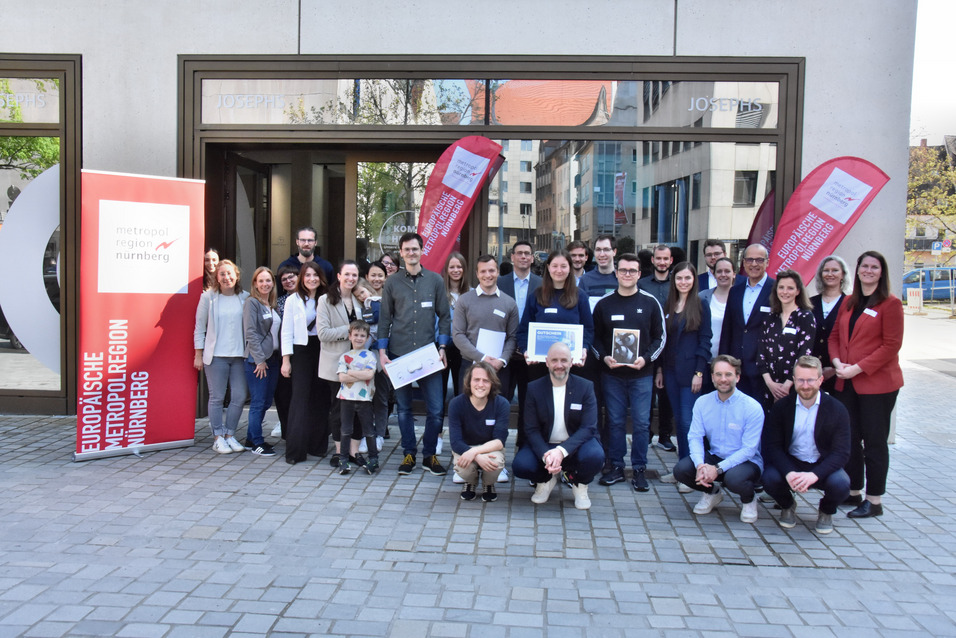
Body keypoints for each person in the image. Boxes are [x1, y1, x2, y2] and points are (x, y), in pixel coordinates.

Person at [828, 250, 904, 519]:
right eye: (864, 266)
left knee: (874, 442)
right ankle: (853, 492)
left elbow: (891, 346)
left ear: (882, 273)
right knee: (850, 439)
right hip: (846, 382)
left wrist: (857, 368)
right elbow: (835, 336)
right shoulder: (849, 302)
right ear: (858, 270)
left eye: (874, 267)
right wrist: (837, 363)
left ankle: (874, 500)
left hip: (876, 386)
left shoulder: (890, 304)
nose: (868, 271)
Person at [378, 232, 452, 476]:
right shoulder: (392, 283)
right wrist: (382, 352)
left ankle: (429, 456)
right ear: (401, 253)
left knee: (436, 410)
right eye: (407, 249)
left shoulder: (435, 281)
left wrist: (443, 347)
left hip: (428, 355)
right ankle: (408, 454)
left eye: (415, 249)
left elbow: (445, 316)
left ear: (422, 251)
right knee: (404, 409)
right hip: (399, 354)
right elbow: (385, 319)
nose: (411, 253)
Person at [592, 253, 665, 491]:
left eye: (632, 271)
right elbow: (594, 338)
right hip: (612, 375)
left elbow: (660, 338)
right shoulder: (604, 304)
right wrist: (604, 357)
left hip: (641, 375)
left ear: (639, 274)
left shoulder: (650, 302)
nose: (627, 274)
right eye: (623, 270)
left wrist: (646, 359)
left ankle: (639, 469)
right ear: (616, 273)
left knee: (642, 424)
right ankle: (615, 466)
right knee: (614, 422)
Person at [763, 356, 851, 534]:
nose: (805, 385)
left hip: (822, 463)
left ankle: (826, 510)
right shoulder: (782, 407)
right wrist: (789, 472)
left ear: (820, 380)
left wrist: (814, 475)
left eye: (810, 380)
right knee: (769, 478)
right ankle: (787, 505)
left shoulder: (837, 409)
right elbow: (773, 446)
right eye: (800, 380)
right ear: (794, 380)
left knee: (841, 484)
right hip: (792, 462)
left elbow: (841, 452)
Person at [512, 342, 605, 510]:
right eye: (554, 360)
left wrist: (561, 451)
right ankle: (546, 479)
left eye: (564, 360)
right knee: (521, 465)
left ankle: (579, 483)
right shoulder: (534, 388)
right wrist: (546, 456)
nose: (559, 365)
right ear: (547, 362)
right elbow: (531, 429)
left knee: (595, 457)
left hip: (576, 446)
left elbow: (588, 427)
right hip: (546, 445)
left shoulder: (585, 387)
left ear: (571, 362)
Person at [674, 355, 764, 523]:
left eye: (728, 374)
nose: (723, 379)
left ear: (737, 377)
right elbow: (695, 436)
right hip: (715, 456)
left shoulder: (752, 407)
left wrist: (717, 469)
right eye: (719, 374)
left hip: (745, 461)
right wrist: (700, 465)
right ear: (712, 377)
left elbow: (749, 449)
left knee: (734, 479)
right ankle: (712, 493)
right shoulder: (702, 402)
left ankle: (749, 499)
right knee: (682, 470)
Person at [655, 262, 712, 484]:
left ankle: (691, 471)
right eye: (679, 278)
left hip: (691, 374)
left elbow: (705, 340)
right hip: (670, 371)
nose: (683, 282)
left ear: (694, 280)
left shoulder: (701, 304)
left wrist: (699, 372)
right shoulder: (668, 304)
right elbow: (663, 341)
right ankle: (681, 469)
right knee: (678, 420)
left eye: (687, 278)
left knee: (689, 422)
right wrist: (660, 370)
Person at [194, 259, 249, 454]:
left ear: (237, 276)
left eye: (230, 273)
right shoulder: (208, 298)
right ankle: (217, 437)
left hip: (239, 356)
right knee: (217, 397)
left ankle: (230, 435)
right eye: (222, 274)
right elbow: (199, 327)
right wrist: (198, 354)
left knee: (239, 396)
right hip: (216, 356)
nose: (227, 277)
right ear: (217, 278)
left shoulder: (245, 297)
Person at [318, 260, 368, 468]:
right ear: (338, 276)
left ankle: (354, 452)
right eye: (346, 274)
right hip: (336, 365)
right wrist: (349, 329)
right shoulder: (325, 300)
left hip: (359, 364)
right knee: (339, 409)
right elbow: (323, 333)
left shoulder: (360, 299)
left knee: (359, 408)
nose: (350, 278)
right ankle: (340, 452)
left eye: (354, 275)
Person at [517, 249, 594, 382]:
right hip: (540, 366)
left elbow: (588, 329)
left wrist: (584, 348)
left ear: (569, 268)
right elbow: (524, 330)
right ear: (548, 267)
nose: (559, 270)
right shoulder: (536, 295)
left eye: (563, 266)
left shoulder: (580, 296)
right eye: (555, 266)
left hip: (571, 366)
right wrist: (526, 350)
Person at [280, 261, 330, 465]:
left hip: (323, 349)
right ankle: (296, 451)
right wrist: (286, 360)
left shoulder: (328, 298)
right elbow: (286, 331)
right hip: (301, 350)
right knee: (299, 399)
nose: (312, 279)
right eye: (307, 275)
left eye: (315, 275)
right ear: (301, 278)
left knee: (321, 397)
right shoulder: (293, 300)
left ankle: (317, 446)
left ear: (321, 277)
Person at [498, 240, 542, 447]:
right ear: (512, 257)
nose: (523, 256)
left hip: (531, 352)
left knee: (529, 400)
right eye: (519, 253)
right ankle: (498, 443)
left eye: (527, 253)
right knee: (501, 399)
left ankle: (525, 445)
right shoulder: (500, 283)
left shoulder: (542, 284)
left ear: (532, 258)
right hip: (503, 350)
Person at [719, 243, 776, 402]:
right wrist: (723, 362)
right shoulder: (735, 291)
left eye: (759, 260)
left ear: (767, 262)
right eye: (750, 260)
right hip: (736, 366)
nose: (754, 264)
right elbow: (727, 329)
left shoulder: (777, 290)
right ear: (743, 263)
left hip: (763, 369)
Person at [448, 362, 510, 502]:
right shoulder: (456, 404)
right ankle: (470, 482)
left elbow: (499, 441)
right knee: (463, 466)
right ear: (469, 382)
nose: (481, 384)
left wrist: (475, 452)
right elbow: (455, 442)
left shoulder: (502, 404)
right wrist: (476, 456)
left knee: (495, 464)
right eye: (476, 379)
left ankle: (488, 484)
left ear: (492, 383)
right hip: (465, 447)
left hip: (491, 449)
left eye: (486, 380)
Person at [756, 269, 816, 411]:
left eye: (790, 288)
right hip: (769, 386)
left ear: (798, 291)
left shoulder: (805, 317)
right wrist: (770, 383)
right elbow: (761, 352)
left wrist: (786, 386)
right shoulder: (770, 317)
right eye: (781, 287)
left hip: (793, 386)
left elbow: (804, 354)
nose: (785, 292)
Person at [640, 244, 676, 453]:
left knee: (666, 394)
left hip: (671, 346)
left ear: (671, 261)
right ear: (653, 260)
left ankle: (665, 435)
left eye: (665, 259)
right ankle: (646, 435)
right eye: (658, 258)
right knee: (647, 393)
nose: (662, 262)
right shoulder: (643, 284)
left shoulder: (676, 284)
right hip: (648, 346)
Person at [241, 266, 280, 456]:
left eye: (268, 280)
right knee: (258, 402)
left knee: (265, 402)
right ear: (255, 284)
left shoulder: (272, 304)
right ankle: (257, 442)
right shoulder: (252, 303)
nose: (265, 284)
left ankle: (250, 439)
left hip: (273, 359)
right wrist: (259, 360)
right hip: (258, 361)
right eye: (261, 280)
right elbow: (251, 333)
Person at [335, 320, 380, 475]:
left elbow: (369, 375)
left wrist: (350, 372)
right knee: (346, 430)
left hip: (364, 398)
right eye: (356, 335)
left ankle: (373, 459)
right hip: (346, 398)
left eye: (362, 335)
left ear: (367, 338)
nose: (359, 338)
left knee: (368, 430)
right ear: (350, 336)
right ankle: (343, 459)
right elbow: (341, 378)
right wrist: (360, 374)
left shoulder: (370, 356)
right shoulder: (344, 356)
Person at [362, 261, 392, 448]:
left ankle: (379, 434)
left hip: (385, 353)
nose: (376, 279)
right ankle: (365, 435)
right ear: (366, 277)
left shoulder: (391, 297)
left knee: (381, 396)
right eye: (373, 275)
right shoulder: (361, 296)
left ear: (385, 277)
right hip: (364, 354)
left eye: (380, 275)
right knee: (364, 397)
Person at [810, 255, 850, 394]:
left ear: (843, 274)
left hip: (840, 373)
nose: (830, 274)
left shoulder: (851, 304)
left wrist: (834, 369)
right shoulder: (809, 303)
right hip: (811, 375)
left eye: (835, 270)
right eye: (826, 270)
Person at [271, 265, 300, 439]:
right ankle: (286, 429)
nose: (288, 281)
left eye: (291, 277)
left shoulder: (309, 299)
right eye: (284, 279)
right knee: (283, 394)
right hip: (282, 353)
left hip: (302, 352)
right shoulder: (278, 303)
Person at [698, 257, 735, 379]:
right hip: (705, 362)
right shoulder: (702, 297)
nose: (723, 274)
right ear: (714, 274)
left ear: (734, 274)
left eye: (727, 271)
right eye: (719, 271)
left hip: (730, 363)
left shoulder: (741, 298)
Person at [442, 251, 471, 403]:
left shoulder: (472, 293)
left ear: (464, 269)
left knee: (462, 390)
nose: (456, 270)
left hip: (463, 348)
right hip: (442, 346)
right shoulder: (439, 292)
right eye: (452, 267)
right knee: (439, 391)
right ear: (446, 269)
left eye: (459, 267)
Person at [579, 235, 618, 299]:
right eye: (598, 250)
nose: (602, 254)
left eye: (606, 249)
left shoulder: (622, 278)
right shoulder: (585, 280)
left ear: (614, 252)